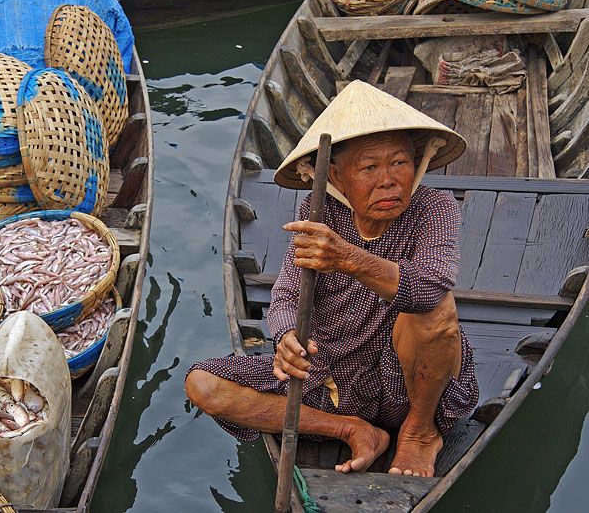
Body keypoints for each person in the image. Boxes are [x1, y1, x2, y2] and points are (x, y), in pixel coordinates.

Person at [185, 80, 479, 477]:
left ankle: (420, 433)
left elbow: (429, 288)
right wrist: (286, 335)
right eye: (370, 167)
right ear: (337, 177)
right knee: (202, 385)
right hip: (331, 379)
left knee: (434, 307)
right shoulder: (319, 210)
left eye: (399, 162)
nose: (389, 180)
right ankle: (354, 430)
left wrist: (348, 258)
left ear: (418, 164)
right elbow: (288, 294)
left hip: (408, 384)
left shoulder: (433, 208)